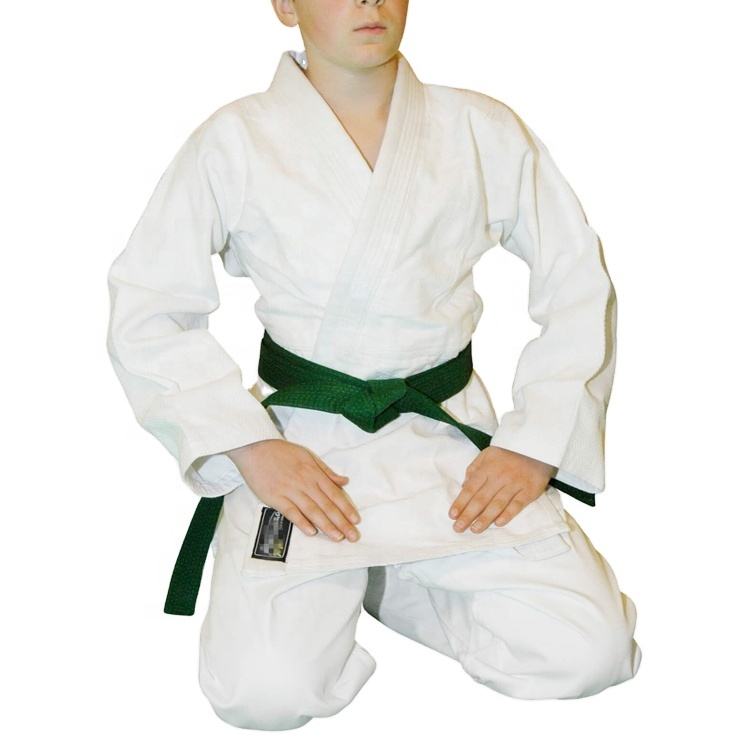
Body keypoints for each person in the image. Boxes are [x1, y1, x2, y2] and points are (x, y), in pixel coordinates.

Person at [105, 0, 642, 731]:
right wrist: (251, 447)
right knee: (264, 697)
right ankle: (370, 575)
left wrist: (535, 443)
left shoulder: (480, 129)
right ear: (285, 4)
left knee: (591, 654)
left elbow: (577, 282)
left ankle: (386, 583)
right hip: (302, 454)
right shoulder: (233, 141)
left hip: (444, 442)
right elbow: (148, 308)